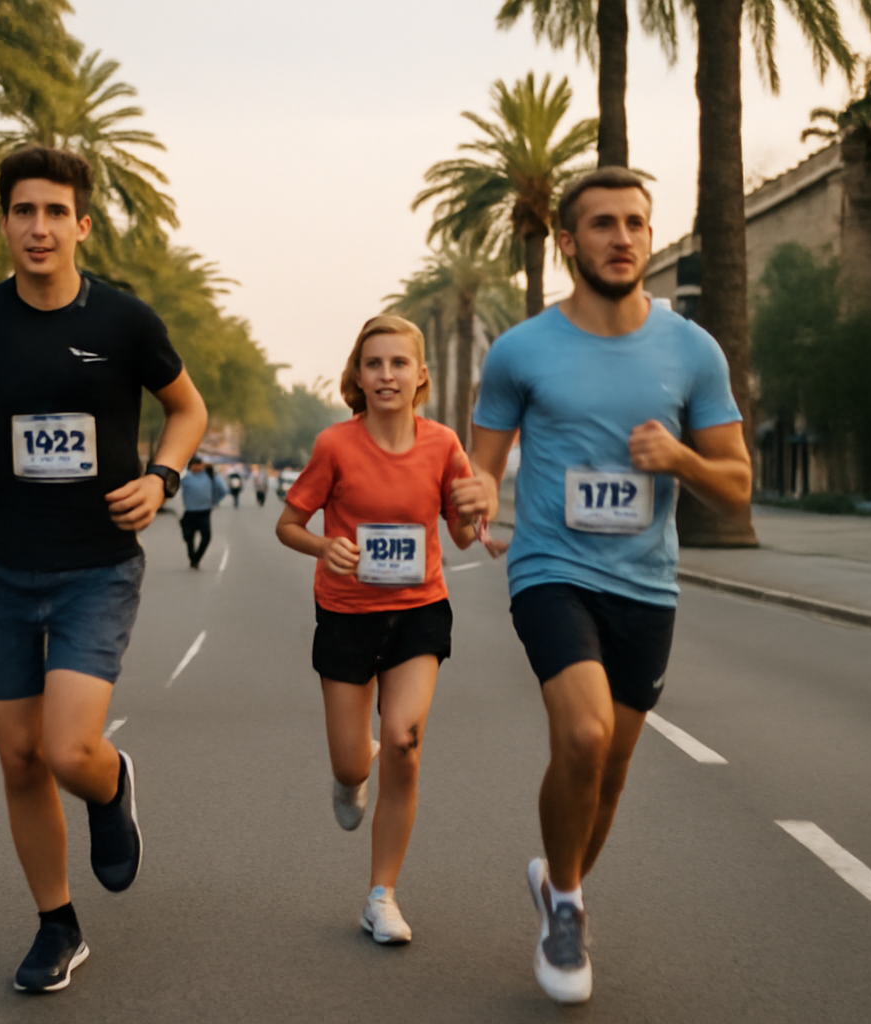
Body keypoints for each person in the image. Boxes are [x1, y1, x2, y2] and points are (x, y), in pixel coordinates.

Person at [456, 168, 752, 1004]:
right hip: (551, 569)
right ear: (566, 243)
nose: (622, 238)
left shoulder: (692, 349)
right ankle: (569, 909)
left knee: (612, 769)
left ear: (651, 238)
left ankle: (558, 877)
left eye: (636, 224)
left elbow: (735, 484)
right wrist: (471, 502)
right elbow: (476, 475)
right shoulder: (522, 351)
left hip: (647, 584)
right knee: (582, 736)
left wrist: (682, 458)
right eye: (602, 225)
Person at [0, 146, 208, 994]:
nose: (38, 227)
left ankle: (111, 782)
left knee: (66, 748)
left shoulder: (123, 322)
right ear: (4, 222)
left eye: (54, 212)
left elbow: (187, 408)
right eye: (22, 211)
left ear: (81, 225)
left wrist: (162, 479)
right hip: (4, 563)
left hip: (97, 565)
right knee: (18, 759)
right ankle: (57, 924)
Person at [276, 314, 482, 946]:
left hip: (420, 610)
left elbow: (463, 532)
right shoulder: (335, 446)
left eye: (399, 364)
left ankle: (381, 895)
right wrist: (323, 548)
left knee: (404, 741)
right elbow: (288, 524)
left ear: (421, 375)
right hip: (345, 614)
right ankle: (350, 770)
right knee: (353, 759)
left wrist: (477, 513)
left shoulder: (443, 444)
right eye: (374, 364)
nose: (387, 375)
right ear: (358, 377)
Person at [179, 456, 228, 569]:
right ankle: (192, 558)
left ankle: (196, 558)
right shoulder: (186, 478)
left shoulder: (210, 476)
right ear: (190, 466)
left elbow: (223, 490)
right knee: (189, 538)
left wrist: (214, 502)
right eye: (194, 465)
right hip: (190, 512)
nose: (196, 467)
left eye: (199, 464)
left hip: (204, 512)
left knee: (206, 537)